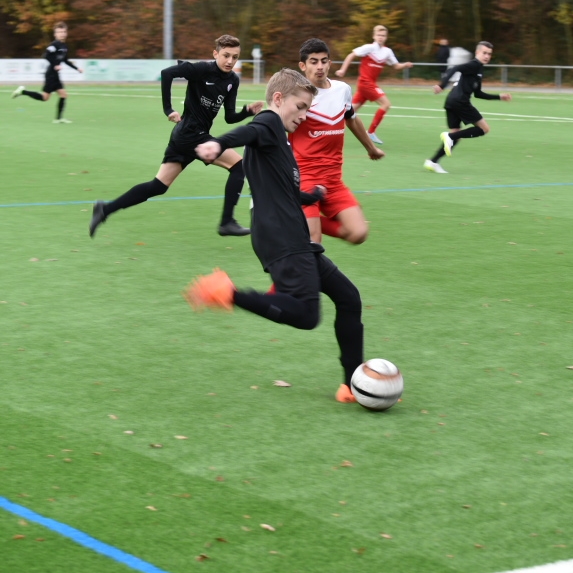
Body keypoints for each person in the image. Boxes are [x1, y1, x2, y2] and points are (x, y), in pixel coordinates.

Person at [184, 68, 366, 404]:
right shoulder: (268, 123)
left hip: (288, 234)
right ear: (279, 99)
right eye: (300, 107)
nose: (304, 115)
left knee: (348, 297)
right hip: (282, 237)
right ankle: (227, 293)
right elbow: (248, 131)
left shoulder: (280, 141)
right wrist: (218, 143)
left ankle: (352, 384)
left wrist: (312, 196)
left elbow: (285, 190)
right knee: (307, 315)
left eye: (308, 108)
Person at [89, 35, 263, 238]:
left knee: (158, 186)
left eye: (235, 57)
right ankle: (227, 222)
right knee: (239, 166)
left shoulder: (232, 80)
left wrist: (247, 112)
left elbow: (230, 117)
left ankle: (104, 209)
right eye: (226, 55)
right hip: (191, 134)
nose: (230, 61)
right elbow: (167, 73)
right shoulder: (201, 69)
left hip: (187, 136)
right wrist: (168, 109)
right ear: (215, 54)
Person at [292, 38, 384, 244]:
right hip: (304, 176)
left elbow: (351, 119)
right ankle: (301, 221)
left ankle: (292, 219)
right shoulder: (295, 95)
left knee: (358, 233)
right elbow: (274, 131)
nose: (320, 66)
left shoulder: (342, 89)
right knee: (313, 242)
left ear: (330, 63)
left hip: (333, 180)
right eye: (314, 61)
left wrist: (371, 148)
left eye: (324, 61)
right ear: (302, 66)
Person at [424, 41, 511, 174]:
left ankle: (433, 162)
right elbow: (454, 68)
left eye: (489, 54)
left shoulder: (479, 69)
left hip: (452, 101)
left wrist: (499, 97)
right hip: (460, 102)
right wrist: (442, 85)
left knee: (456, 135)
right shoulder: (474, 65)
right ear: (477, 52)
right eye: (484, 53)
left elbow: (478, 94)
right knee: (484, 129)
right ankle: (449, 137)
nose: (487, 56)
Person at [334, 25, 413, 144]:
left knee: (349, 112)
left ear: (386, 37)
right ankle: (371, 132)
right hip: (365, 83)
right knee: (386, 104)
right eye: (378, 35)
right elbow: (351, 55)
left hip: (368, 85)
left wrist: (405, 65)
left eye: (383, 35)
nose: (381, 37)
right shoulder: (369, 48)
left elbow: (396, 66)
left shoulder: (387, 51)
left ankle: (328, 128)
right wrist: (343, 70)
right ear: (374, 36)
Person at [12, 21, 84, 123]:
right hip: (51, 75)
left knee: (63, 95)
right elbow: (46, 55)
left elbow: (66, 60)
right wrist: (55, 65)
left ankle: (58, 119)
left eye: (64, 31)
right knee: (45, 98)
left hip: (55, 75)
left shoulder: (64, 46)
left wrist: (77, 69)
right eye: (59, 32)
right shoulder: (54, 45)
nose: (62, 34)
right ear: (55, 34)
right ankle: (23, 91)